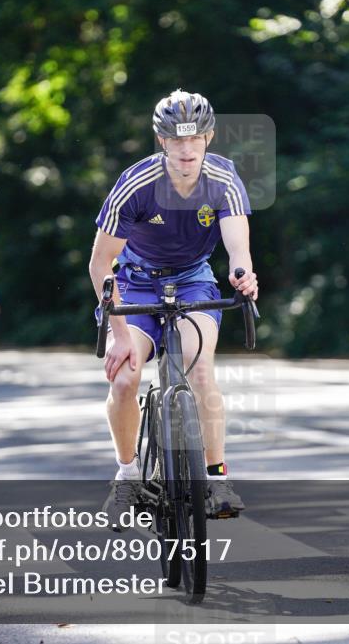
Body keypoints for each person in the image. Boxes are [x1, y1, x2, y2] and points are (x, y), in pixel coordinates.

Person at [88, 89, 259, 525]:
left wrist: (242, 275)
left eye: (195, 138)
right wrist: (120, 337)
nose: (186, 149)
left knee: (199, 370)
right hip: (134, 284)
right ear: (162, 140)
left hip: (193, 279)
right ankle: (127, 476)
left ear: (208, 137)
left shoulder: (223, 179)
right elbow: (99, 264)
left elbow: (238, 246)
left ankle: (217, 479)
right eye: (177, 139)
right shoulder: (136, 184)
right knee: (125, 379)